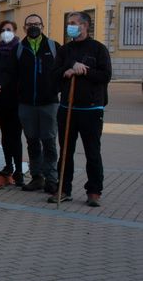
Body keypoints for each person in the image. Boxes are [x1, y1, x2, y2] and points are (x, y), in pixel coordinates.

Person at [49, 12, 111, 206]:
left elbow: (105, 75)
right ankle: (63, 188)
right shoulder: (65, 50)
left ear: (85, 26)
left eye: (74, 23)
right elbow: (54, 74)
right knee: (66, 150)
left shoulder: (98, 49)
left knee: (92, 151)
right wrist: (68, 70)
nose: (70, 26)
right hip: (68, 107)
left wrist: (84, 71)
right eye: (69, 23)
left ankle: (94, 191)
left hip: (92, 109)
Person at [4, 14, 61, 193]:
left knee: (49, 141)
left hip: (49, 104)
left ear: (43, 26)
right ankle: (37, 177)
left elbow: (62, 71)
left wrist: (56, 89)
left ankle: (52, 179)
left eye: (36, 24)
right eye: (29, 24)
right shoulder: (19, 49)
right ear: (24, 28)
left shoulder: (54, 47)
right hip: (26, 104)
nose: (33, 27)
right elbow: (11, 76)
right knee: (32, 141)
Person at [0, 21, 24, 185]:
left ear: (15, 31)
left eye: (8, 30)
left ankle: (19, 171)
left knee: (15, 135)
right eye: (2, 30)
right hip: (0, 99)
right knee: (5, 134)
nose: (5, 32)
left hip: (17, 100)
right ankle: (8, 165)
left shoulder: (20, 51)